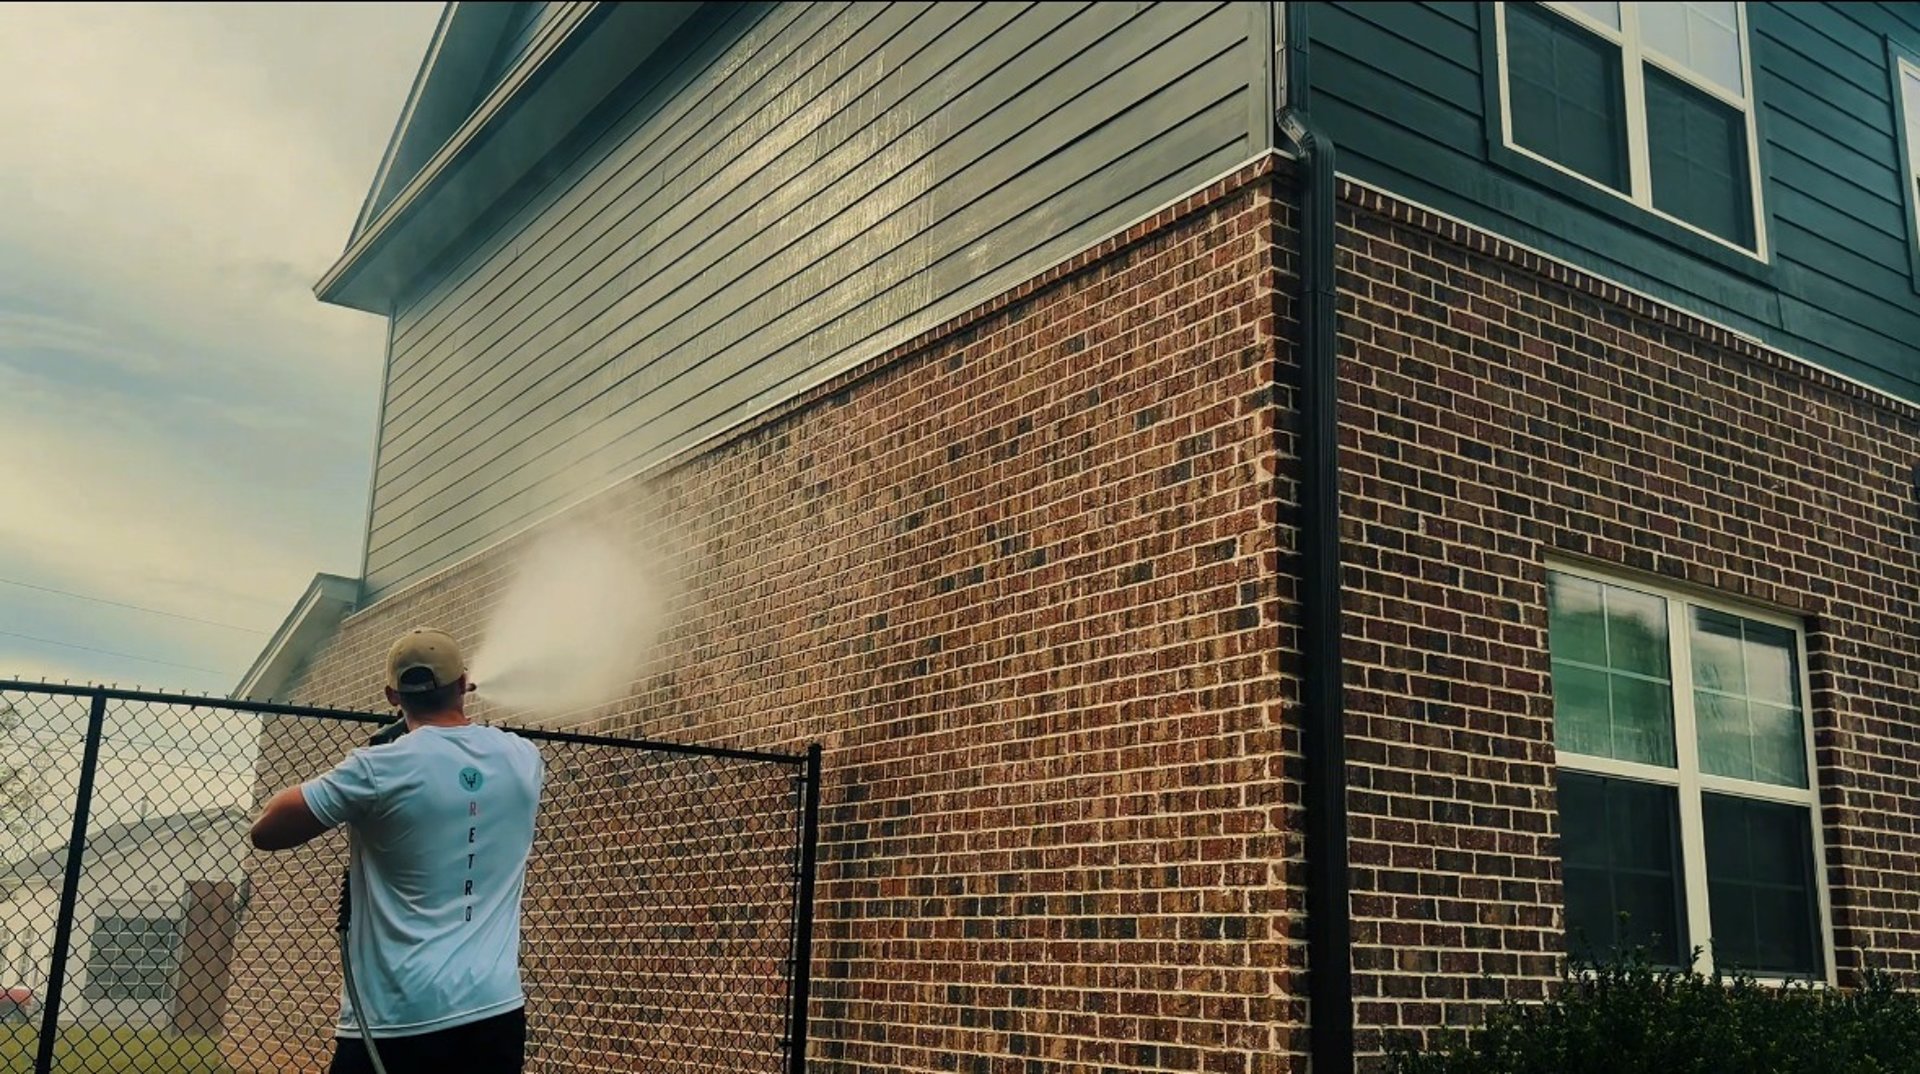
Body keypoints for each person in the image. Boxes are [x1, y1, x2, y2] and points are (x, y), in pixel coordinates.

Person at [250, 627, 544, 1074]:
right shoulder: (523, 758)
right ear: (464, 684)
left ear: (392, 694)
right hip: (494, 1011)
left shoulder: (376, 770)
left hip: (397, 1021)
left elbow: (266, 830)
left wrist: (373, 769)